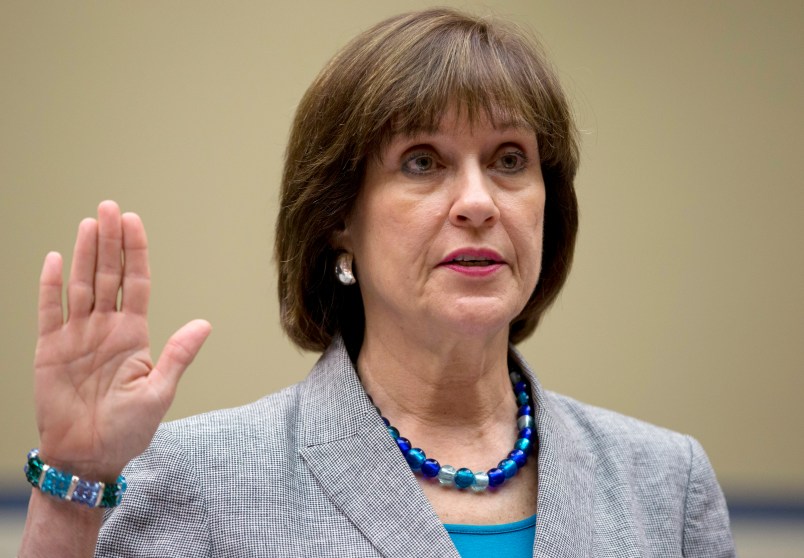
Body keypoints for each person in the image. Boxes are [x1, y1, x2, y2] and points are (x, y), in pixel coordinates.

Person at [19, 8, 735, 557]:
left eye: (510, 159)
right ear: (339, 222)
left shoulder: (665, 484)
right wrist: (70, 489)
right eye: (423, 162)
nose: (479, 201)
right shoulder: (199, 479)